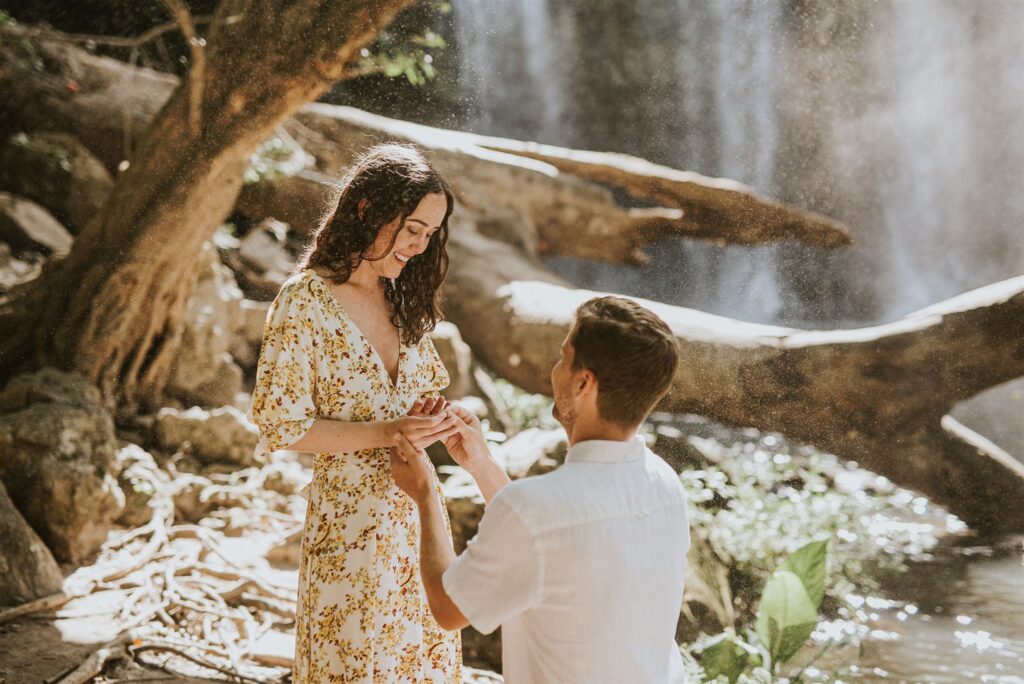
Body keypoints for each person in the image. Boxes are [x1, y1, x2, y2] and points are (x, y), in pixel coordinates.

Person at [247, 144, 464, 682]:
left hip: (421, 526)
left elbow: (407, 401)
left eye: (429, 235)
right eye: (412, 227)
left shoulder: (401, 299)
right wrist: (389, 430)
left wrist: (426, 415)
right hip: (349, 529)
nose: (418, 246)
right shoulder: (306, 301)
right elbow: (283, 425)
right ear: (367, 209)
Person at [391, 296, 691, 683]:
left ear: (584, 383)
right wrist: (481, 463)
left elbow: (449, 609)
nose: (555, 369)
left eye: (563, 357)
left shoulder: (536, 511)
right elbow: (550, 544)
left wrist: (425, 493)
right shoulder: (665, 484)